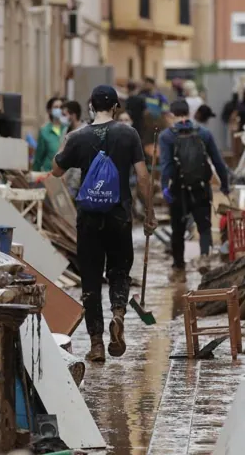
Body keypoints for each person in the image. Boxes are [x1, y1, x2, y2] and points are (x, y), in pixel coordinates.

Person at [52, 85, 157, 363]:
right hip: (120, 216)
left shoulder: (79, 137)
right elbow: (143, 178)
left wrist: (65, 143)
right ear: (115, 107)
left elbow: (56, 170)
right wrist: (149, 212)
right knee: (120, 272)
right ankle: (119, 315)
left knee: (90, 281)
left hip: (88, 219)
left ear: (90, 105)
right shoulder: (128, 134)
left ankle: (96, 344)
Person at [160, 100, 230, 275]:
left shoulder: (166, 136)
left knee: (178, 229)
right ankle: (205, 257)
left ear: (172, 115)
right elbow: (218, 162)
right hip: (201, 188)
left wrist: (164, 188)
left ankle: (179, 267)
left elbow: (167, 166)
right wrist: (225, 185)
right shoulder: (204, 133)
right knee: (204, 227)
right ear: (189, 113)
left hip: (178, 189)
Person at [32, 97, 68, 172]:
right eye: (56, 107)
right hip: (48, 172)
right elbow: (39, 157)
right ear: (49, 110)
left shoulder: (67, 129)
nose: (59, 110)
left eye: (61, 107)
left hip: (64, 173)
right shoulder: (44, 131)